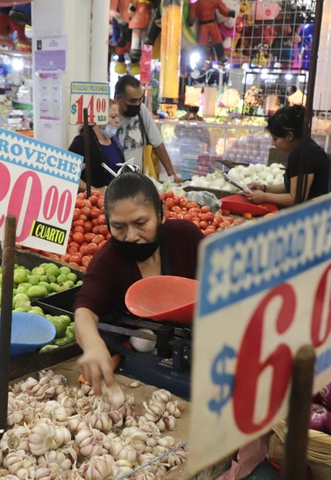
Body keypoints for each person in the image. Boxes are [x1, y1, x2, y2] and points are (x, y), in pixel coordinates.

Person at [74, 172, 204, 394]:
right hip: (140, 357)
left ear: (161, 213)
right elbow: (85, 311)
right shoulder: (107, 261)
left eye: (141, 223)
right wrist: (92, 345)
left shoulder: (186, 238)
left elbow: (222, 284)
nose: (131, 236)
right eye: (119, 227)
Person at [245, 105, 331, 207]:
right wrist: (264, 188)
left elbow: (296, 199)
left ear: (289, 136)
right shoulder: (307, 148)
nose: (273, 143)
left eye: (275, 139)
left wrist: (264, 196)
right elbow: (292, 187)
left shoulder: (301, 154)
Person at [113, 75, 183, 183]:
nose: (137, 104)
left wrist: (172, 174)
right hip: (114, 181)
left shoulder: (141, 111)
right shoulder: (108, 118)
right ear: (118, 99)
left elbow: (158, 144)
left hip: (138, 180)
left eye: (140, 100)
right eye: (132, 101)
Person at [68, 99, 125, 192]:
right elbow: (69, 174)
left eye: (118, 116)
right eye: (113, 117)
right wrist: (95, 190)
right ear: (99, 118)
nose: (118, 120)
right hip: (93, 203)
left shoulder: (113, 139)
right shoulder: (82, 142)